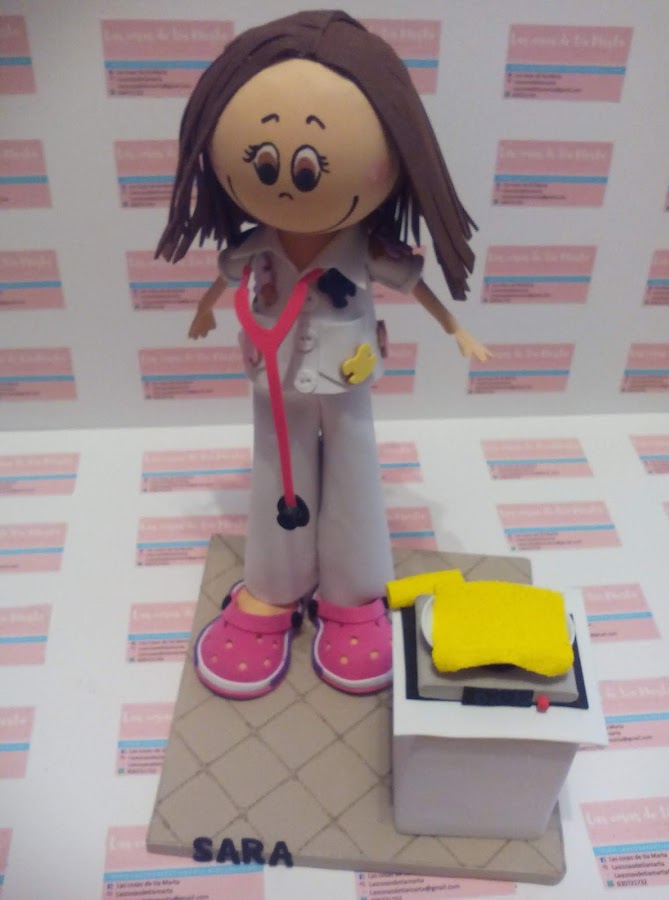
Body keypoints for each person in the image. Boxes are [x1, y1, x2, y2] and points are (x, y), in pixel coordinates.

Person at [156, 10, 490, 700]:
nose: (285, 181)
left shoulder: (366, 248)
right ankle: (272, 586)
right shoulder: (256, 243)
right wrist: (203, 310)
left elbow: (414, 283)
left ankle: (352, 592)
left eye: (310, 166)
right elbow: (224, 277)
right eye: (264, 162)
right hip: (272, 378)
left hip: (347, 375)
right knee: (272, 473)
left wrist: (454, 327)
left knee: (354, 474)